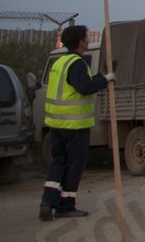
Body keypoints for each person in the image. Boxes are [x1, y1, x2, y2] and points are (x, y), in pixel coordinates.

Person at [39, 25, 113, 221]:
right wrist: (105, 81)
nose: (88, 40)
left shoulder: (60, 62)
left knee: (58, 163)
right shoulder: (78, 63)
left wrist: (101, 76)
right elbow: (84, 87)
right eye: (86, 37)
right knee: (74, 165)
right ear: (80, 42)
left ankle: (47, 202)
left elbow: (77, 84)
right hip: (75, 126)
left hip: (57, 124)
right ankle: (66, 205)